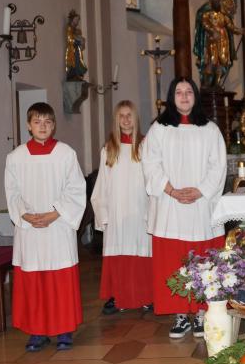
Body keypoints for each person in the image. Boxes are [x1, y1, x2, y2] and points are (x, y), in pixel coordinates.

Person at [142, 77, 227, 338]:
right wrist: (171, 190)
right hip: (171, 204)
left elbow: (218, 165)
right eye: (178, 92)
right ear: (171, 96)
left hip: (201, 205)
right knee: (174, 260)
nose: (184, 96)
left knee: (202, 258)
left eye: (189, 91)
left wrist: (200, 190)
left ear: (195, 96)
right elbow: (151, 163)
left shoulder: (210, 129)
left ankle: (202, 313)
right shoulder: (159, 128)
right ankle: (180, 315)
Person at [4, 102, 86, 352]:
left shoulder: (65, 153)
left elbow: (76, 188)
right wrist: (25, 215)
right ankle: (36, 331)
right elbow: (12, 192)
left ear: (54, 125)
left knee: (59, 278)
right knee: (34, 279)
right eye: (37, 122)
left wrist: (54, 214)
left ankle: (64, 330)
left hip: (58, 225)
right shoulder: (15, 157)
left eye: (48, 122)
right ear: (28, 125)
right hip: (30, 229)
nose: (43, 126)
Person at [91, 101, 153, 315]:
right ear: (116, 120)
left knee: (141, 251)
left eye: (129, 115)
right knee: (118, 253)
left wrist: (152, 210)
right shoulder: (109, 149)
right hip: (117, 212)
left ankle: (146, 296)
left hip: (139, 208)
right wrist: (103, 213)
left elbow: (153, 179)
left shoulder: (146, 146)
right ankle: (116, 295)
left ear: (135, 119)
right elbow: (102, 185)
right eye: (121, 116)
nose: (125, 120)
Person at [65, 10, 88, 81]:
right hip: (72, 49)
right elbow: (69, 39)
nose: (77, 21)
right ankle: (73, 74)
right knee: (74, 62)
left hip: (77, 49)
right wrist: (77, 41)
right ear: (72, 19)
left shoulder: (77, 30)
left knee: (78, 61)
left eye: (78, 20)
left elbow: (79, 38)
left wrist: (82, 41)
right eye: (76, 19)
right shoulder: (69, 28)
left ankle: (77, 74)